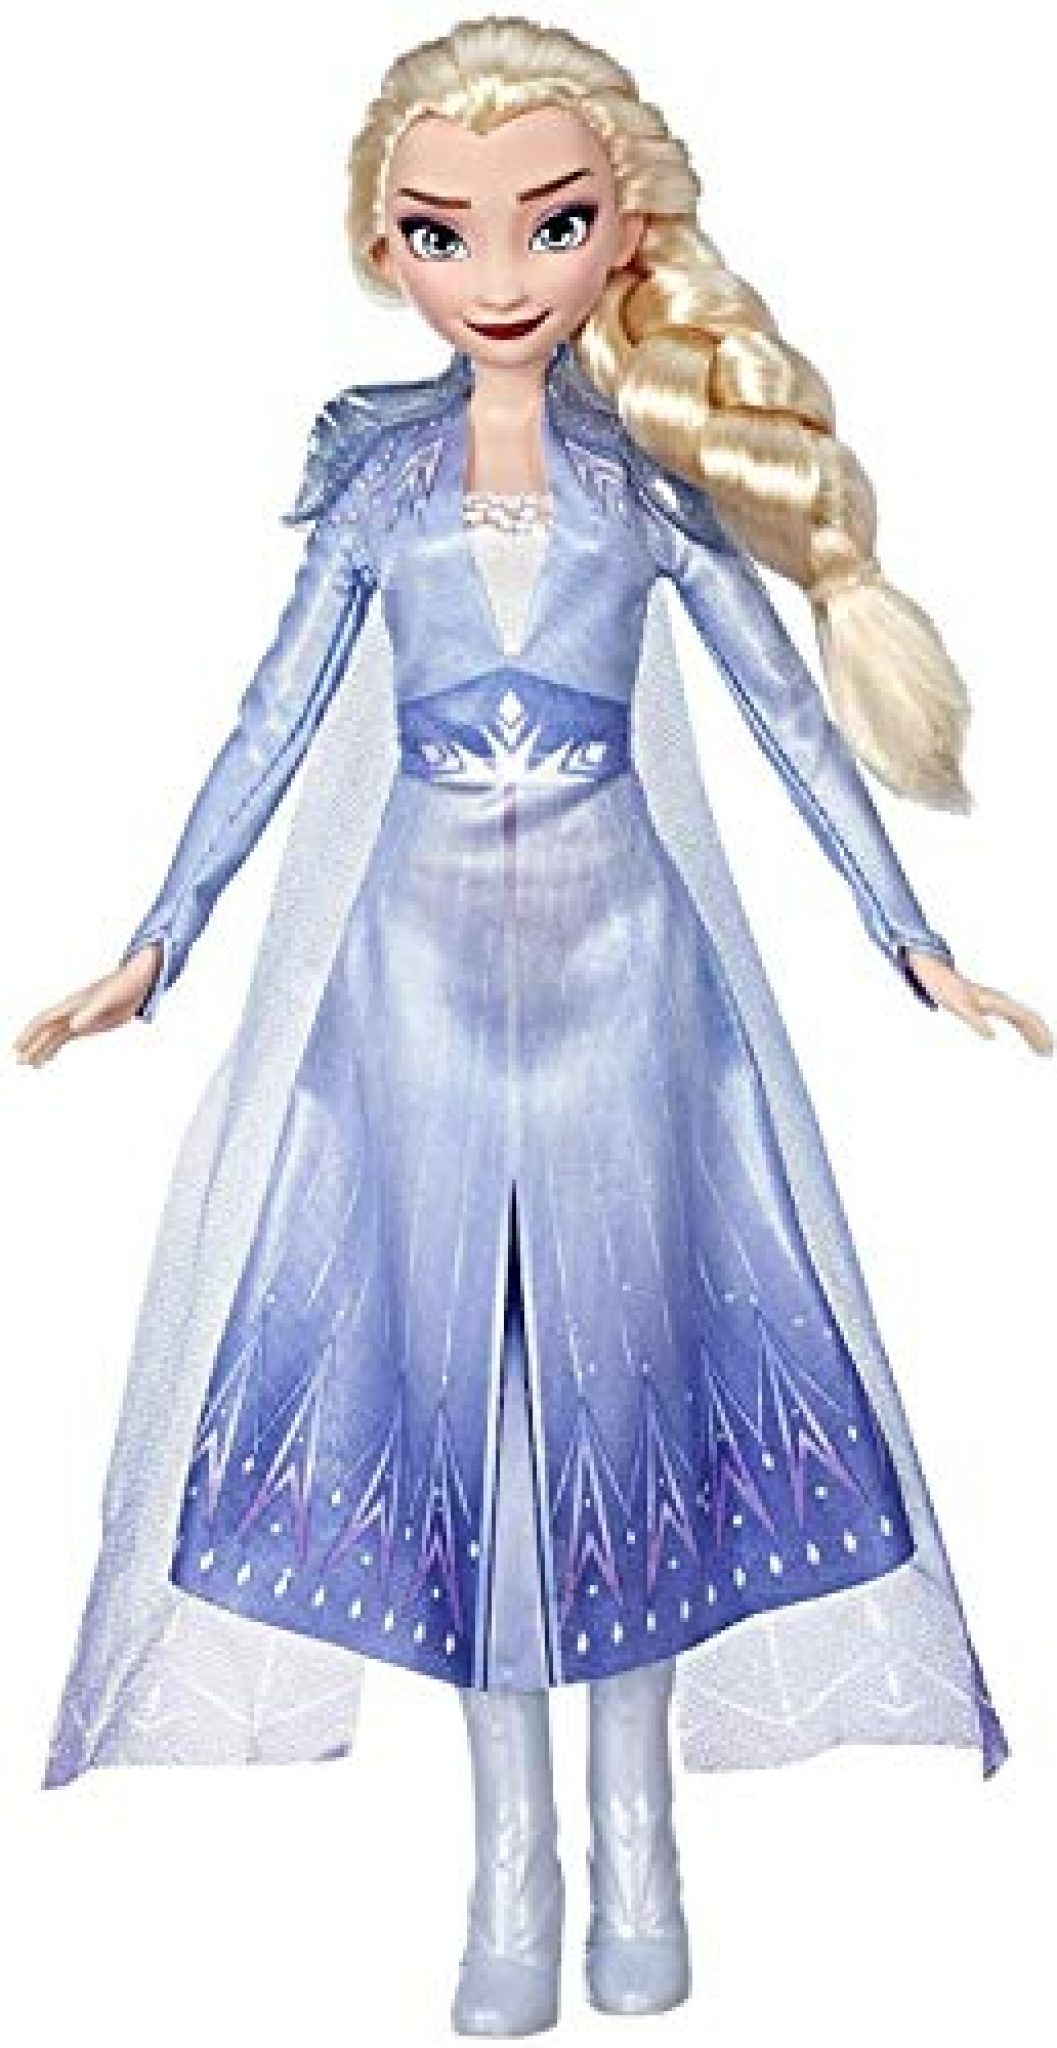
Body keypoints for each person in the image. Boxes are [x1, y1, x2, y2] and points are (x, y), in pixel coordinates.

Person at [15, 15, 1052, 2037]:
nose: (496, 273)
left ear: (618, 235)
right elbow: (270, 717)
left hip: (623, 993)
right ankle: (512, 1857)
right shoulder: (375, 483)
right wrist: (163, 935)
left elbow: (782, 711)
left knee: (626, 1380)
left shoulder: (647, 483)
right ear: (383, 245)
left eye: (548, 225)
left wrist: (907, 935)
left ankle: (636, 1829)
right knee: (459, 1399)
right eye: (442, 232)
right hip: (407, 995)